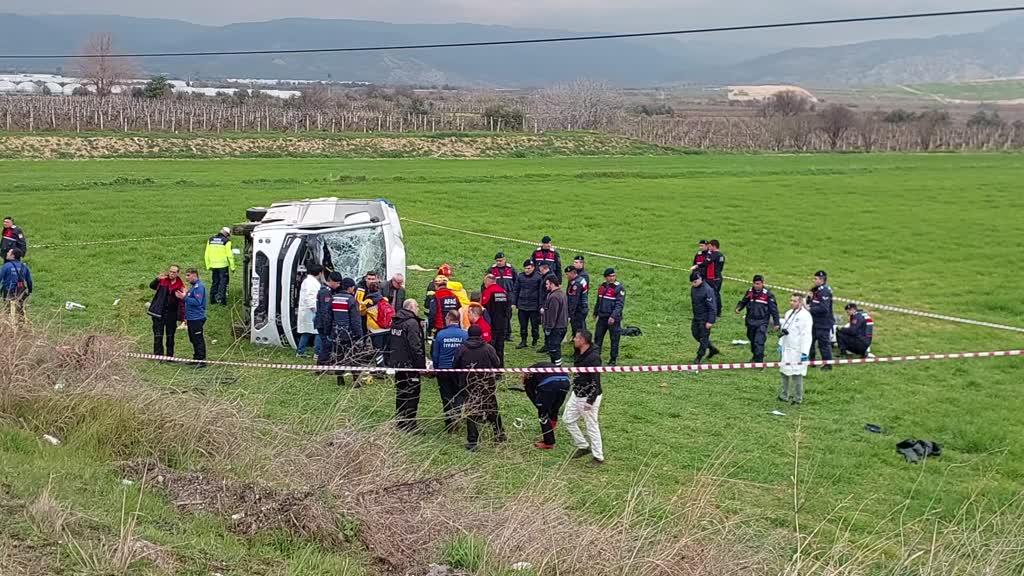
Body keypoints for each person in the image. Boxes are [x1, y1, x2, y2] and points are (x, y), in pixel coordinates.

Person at [454, 324, 505, 451]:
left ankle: (472, 442)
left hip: (468, 384)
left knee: (471, 412)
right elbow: (497, 363)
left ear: (469, 335)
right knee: (492, 409)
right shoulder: (488, 348)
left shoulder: (462, 349)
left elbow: (454, 365)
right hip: (486, 384)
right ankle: (499, 434)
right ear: (481, 335)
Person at [563, 329, 604, 467]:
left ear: (583, 341)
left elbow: (595, 381)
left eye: (576, 337)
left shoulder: (593, 358)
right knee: (567, 419)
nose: (574, 339)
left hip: (588, 396)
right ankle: (583, 445)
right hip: (577, 393)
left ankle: (598, 457)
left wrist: (590, 401)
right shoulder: (579, 353)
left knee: (592, 426)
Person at [388, 299, 427, 432]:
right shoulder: (411, 323)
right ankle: (410, 424)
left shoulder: (396, 321)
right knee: (412, 394)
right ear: (410, 308)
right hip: (410, 365)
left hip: (398, 364)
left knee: (400, 392)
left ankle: (400, 421)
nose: (418, 309)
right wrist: (421, 366)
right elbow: (415, 346)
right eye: (416, 306)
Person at [432, 310, 468, 433]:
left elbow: (435, 354)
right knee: (459, 395)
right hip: (459, 371)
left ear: (448, 319)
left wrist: (436, 368)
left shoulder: (441, 335)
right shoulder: (465, 335)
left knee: (446, 396)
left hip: (444, 370)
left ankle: (449, 423)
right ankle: (457, 416)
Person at [523, 362, 571, 450]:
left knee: (543, 414)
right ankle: (551, 427)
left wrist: (539, 405)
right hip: (565, 381)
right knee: (555, 408)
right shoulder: (541, 367)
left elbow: (531, 394)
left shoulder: (528, 376)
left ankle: (549, 442)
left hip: (549, 384)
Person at [735, 274, 781, 363]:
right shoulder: (750, 291)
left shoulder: (768, 294)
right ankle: (755, 356)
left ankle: (759, 361)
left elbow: (774, 309)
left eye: (759, 284)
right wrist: (739, 307)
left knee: (759, 341)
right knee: (752, 339)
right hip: (750, 320)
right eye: (755, 284)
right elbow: (744, 301)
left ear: (762, 283)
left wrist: (776, 323)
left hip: (762, 321)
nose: (757, 286)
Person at [779, 293, 814, 405]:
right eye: (791, 300)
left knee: (797, 373)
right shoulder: (788, 313)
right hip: (787, 347)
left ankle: (798, 398)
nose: (792, 303)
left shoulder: (806, 316)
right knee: (784, 371)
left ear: (800, 302)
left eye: (794, 301)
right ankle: (784, 395)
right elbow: (785, 329)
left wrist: (804, 352)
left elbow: (806, 335)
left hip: (798, 349)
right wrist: (780, 344)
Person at [331, 277, 364, 385]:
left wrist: (329, 331)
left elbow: (329, 316)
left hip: (336, 333)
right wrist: (359, 334)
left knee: (339, 355)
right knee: (354, 356)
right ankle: (356, 380)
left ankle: (339, 377)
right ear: (349, 288)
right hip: (349, 334)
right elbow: (356, 320)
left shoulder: (334, 298)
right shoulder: (351, 300)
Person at [148, 265, 184, 358]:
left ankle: (169, 356)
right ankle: (158, 355)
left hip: (171, 315)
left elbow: (181, 302)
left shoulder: (180, 285)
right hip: (159, 313)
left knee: (170, 336)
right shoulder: (162, 281)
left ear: (178, 273)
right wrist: (157, 279)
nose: (171, 274)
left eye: (174, 272)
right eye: (170, 271)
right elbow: (151, 286)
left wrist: (182, 316)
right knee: (158, 336)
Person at [593, 268, 625, 366]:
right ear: (605, 277)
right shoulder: (602, 287)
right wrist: (595, 312)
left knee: (614, 339)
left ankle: (613, 359)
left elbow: (619, 305)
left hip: (613, 319)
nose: (612, 278)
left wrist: (613, 316)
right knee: (598, 338)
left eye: (613, 276)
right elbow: (599, 301)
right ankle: (596, 358)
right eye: (610, 276)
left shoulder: (619, 288)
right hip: (602, 317)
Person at [806, 270, 835, 371]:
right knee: (810, 342)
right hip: (814, 321)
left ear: (822, 280)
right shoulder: (815, 290)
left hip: (823, 322)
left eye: (816, 279)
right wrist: (808, 299)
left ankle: (827, 364)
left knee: (824, 344)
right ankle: (811, 361)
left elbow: (824, 308)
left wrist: (810, 309)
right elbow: (811, 301)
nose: (814, 280)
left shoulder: (824, 291)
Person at [513, 260, 544, 349]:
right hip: (522, 305)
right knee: (523, 325)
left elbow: (541, 293)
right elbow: (516, 290)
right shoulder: (520, 276)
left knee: (535, 325)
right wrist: (514, 302)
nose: (526, 270)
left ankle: (535, 339)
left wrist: (540, 305)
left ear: (533, 267)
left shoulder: (538, 277)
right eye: (525, 268)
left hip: (534, 306)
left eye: (528, 268)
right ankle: (523, 340)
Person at [690, 271, 719, 364]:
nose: (693, 284)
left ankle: (699, 356)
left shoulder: (708, 290)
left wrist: (710, 321)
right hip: (696, 316)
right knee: (695, 334)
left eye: (695, 282)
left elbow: (712, 307)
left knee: (703, 337)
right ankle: (712, 348)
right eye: (692, 282)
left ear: (700, 279)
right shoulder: (693, 289)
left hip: (705, 318)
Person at [481, 273, 511, 365]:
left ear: (488, 282)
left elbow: (484, 308)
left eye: (484, 283)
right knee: (500, 347)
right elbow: (508, 309)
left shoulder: (488, 292)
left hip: (492, 324)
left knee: (491, 347)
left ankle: (493, 367)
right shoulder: (503, 292)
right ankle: (500, 367)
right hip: (503, 324)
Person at [181, 268, 208, 368]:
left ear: (194, 275)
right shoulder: (193, 288)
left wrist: (184, 297)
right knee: (193, 339)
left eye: (188, 275)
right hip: (191, 318)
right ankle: (196, 358)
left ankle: (201, 360)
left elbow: (197, 302)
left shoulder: (198, 287)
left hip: (197, 318)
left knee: (198, 339)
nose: (186, 278)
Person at [315, 272, 343, 367]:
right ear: (331, 281)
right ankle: (321, 364)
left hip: (325, 323)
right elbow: (325, 311)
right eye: (337, 283)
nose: (338, 285)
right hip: (323, 323)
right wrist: (328, 328)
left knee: (328, 345)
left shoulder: (330, 291)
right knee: (327, 345)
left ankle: (325, 363)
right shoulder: (325, 292)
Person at [488, 253, 517, 340]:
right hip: (495, 295)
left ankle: (508, 333)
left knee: (508, 314)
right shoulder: (491, 269)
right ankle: (498, 332)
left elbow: (516, 282)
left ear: (505, 260)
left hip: (508, 295)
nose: (499, 262)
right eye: (497, 261)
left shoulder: (511, 269)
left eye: (500, 261)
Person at [296, 264, 323, 358]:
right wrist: (315, 310)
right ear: (320, 273)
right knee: (318, 331)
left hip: (307, 311)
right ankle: (317, 353)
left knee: (307, 332)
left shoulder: (308, 281)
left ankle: (300, 351)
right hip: (311, 311)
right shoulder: (311, 282)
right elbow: (310, 297)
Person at [541, 274, 568, 366]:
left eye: (547, 284)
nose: (546, 286)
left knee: (554, 350)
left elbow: (553, 314)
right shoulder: (561, 294)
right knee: (555, 349)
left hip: (556, 328)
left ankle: (557, 368)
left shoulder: (554, 297)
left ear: (552, 284)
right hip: (562, 326)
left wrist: (548, 328)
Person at [204, 227, 235, 306]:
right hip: (223, 265)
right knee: (223, 282)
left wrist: (208, 265)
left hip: (213, 265)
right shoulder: (226, 241)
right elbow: (230, 255)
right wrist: (232, 267)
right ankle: (222, 300)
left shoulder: (210, 240)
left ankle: (212, 299)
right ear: (226, 234)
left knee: (215, 282)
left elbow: (206, 253)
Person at [362, 280, 390, 366]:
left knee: (378, 349)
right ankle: (387, 364)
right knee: (385, 348)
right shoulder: (384, 299)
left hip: (375, 330)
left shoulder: (368, 301)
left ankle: (380, 368)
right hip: (386, 327)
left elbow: (362, 312)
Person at [0, 248, 32, 324]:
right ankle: (21, 325)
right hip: (20, 290)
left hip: (8, 291)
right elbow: (29, 280)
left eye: (9, 252)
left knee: (8, 309)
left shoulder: (6, 266)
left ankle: (9, 325)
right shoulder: (24, 266)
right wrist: (30, 291)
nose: (7, 253)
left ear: (13, 256)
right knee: (20, 308)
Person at [565, 266, 589, 337]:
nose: (566, 276)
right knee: (576, 325)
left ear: (573, 273)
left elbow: (574, 300)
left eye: (567, 274)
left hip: (579, 308)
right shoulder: (575, 280)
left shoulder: (577, 284)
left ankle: (582, 339)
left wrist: (570, 313)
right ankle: (575, 337)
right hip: (579, 308)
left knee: (579, 326)